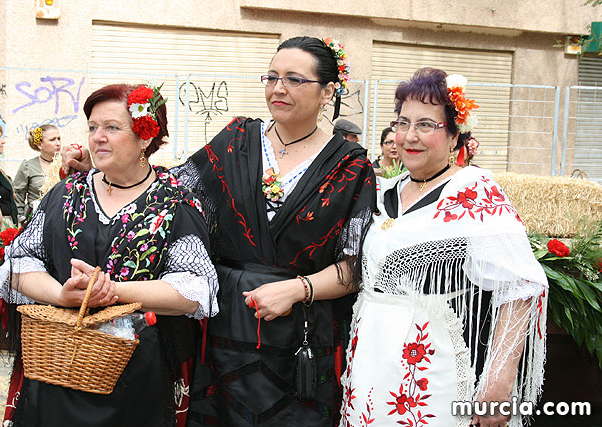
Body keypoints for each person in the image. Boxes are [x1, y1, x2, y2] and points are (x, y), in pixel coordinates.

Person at [63, 36, 376, 426]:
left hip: (302, 332)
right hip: (225, 324)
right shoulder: (237, 140)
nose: (278, 88)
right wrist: (100, 169)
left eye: (295, 79)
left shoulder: (350, 166)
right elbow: (170, 192)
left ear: (328, 91)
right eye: (272, 76)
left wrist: (298, 289)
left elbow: (353, 266)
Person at [0, 83, 219, 427]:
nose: (98, 138)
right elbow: (18, 265)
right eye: (93, 127)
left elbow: (193, 290)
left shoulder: (175, 202)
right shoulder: (66, 194)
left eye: (112, 127)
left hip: (136, 379)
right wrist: (61, 294)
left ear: (145, 136)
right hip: (57, 368)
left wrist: (113, 291)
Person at [339, 68, 547, 427]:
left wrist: (498, 381)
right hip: (370, 361)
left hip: (432, 368)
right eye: (402, 123)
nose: (409, 136)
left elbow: (520, 286)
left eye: (426, 125)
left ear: (453, 137)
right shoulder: (384, 191)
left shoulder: (472, 191)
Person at [13, 124, 62, 224]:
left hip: (59, 218)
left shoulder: (65, 164)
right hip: (34, 219)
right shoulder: (28, 166)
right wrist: (20, 220)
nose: (58, 143)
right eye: (52, 140)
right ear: (40, 144)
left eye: (59, 139)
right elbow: (18, 195)